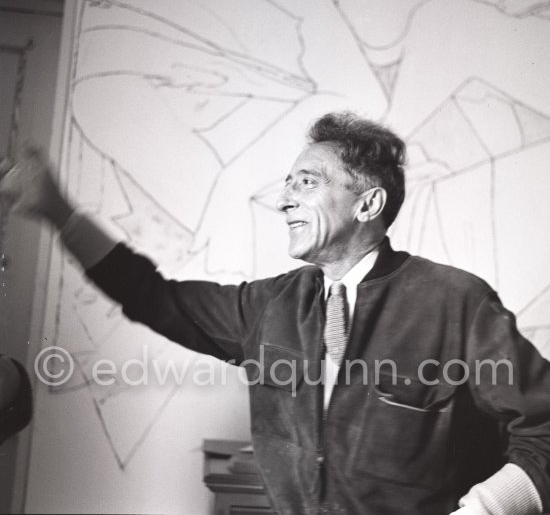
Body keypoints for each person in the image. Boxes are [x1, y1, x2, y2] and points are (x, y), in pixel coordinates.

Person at [1, 112, 550, 514]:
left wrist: (481, 514)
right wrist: (58, 211)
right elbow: (152, 296)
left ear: (368, 204)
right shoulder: (268, 306)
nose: (284, 198)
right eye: (287, 183)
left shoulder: (457, 302)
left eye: (306, 182)